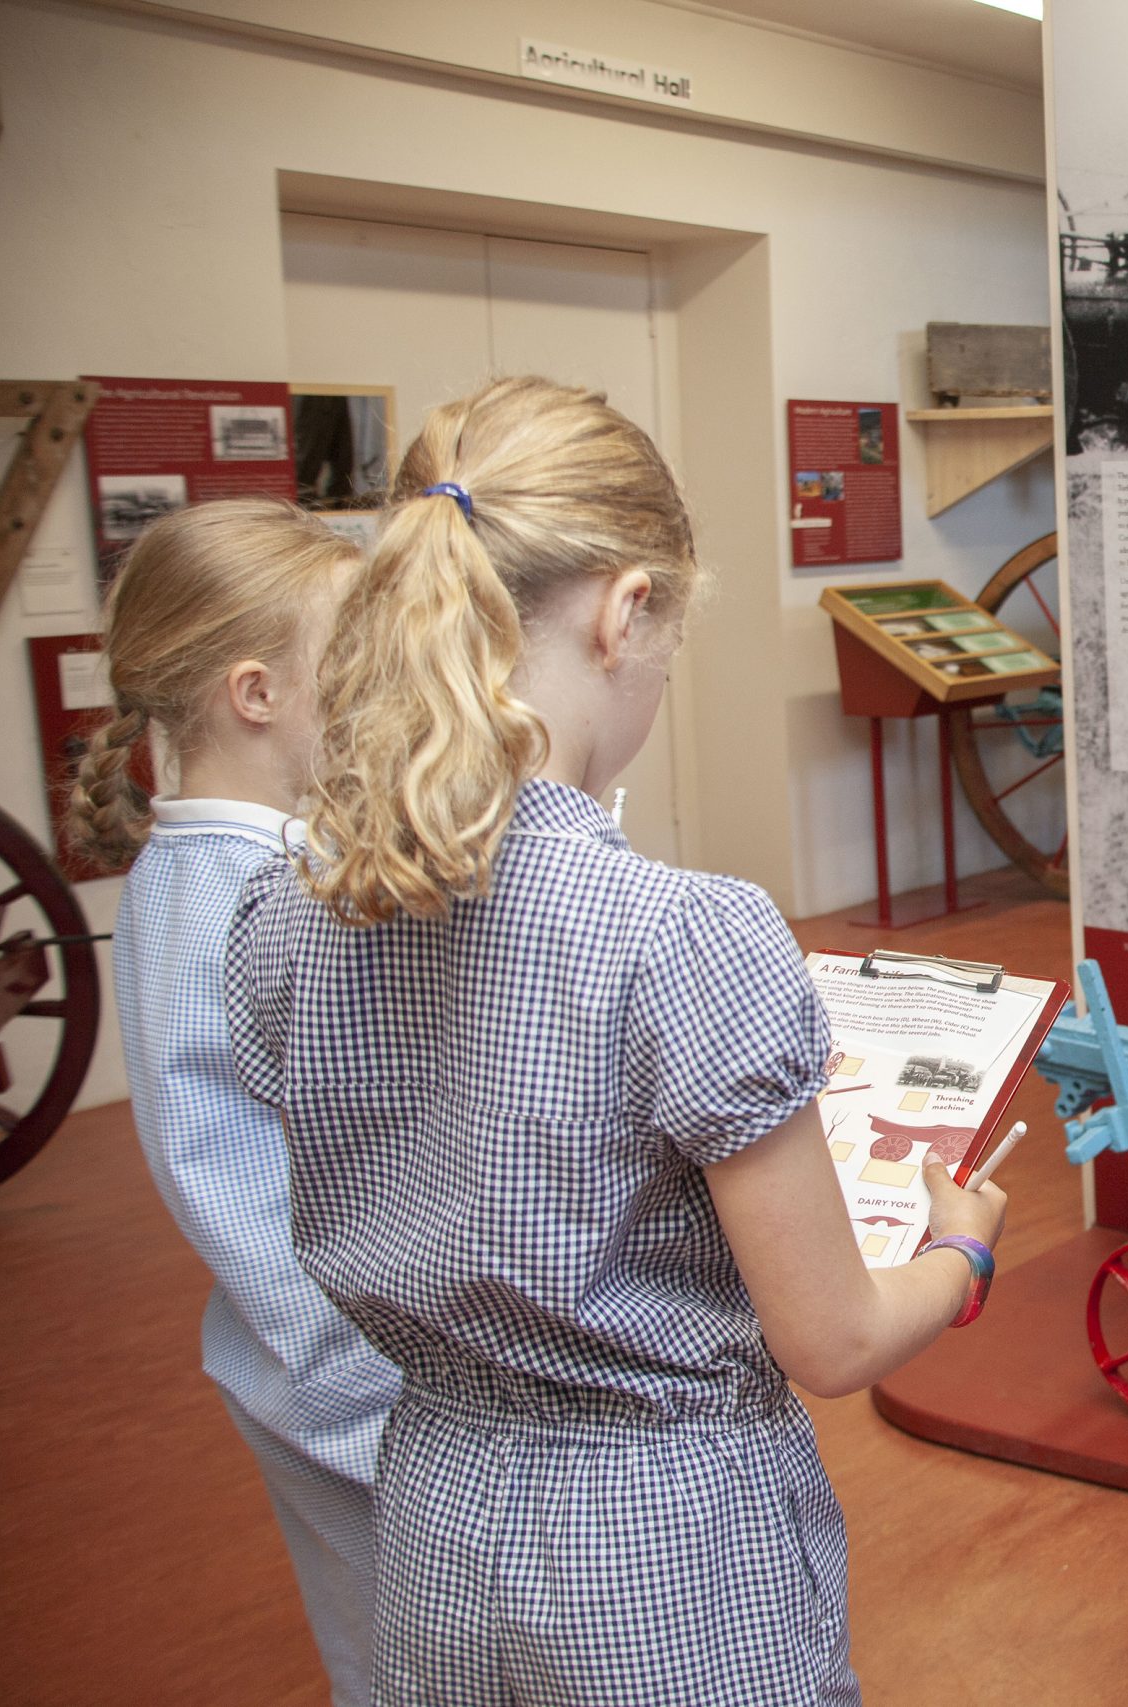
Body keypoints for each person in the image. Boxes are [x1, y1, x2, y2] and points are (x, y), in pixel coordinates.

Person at [222, 377, 1007, 1707]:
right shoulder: (685, 933)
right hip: (660, 1546)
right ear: (623, 607)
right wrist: (961, 1246)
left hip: (432, 1514)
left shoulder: (282, 919)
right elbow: (831, 1341)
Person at [76, 500, 399, 1707]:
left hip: (322, 1375)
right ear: (257, 695)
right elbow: (248, 1201)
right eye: (354, 666)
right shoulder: (237, 905)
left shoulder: (234, 872)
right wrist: (398, 1413)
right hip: (349, 1393)